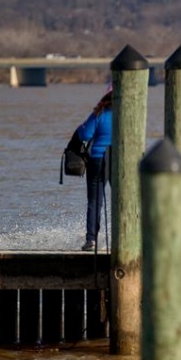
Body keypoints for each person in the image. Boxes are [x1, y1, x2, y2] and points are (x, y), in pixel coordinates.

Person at [76, 89, 112, 251]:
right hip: (119, 160)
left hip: (97, 158)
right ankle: (127, 236)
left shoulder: (99, 114)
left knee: (95, 201)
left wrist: (81, 127)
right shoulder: (128, 114)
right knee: (124, 199)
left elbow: (85, 135)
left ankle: (91, 240)